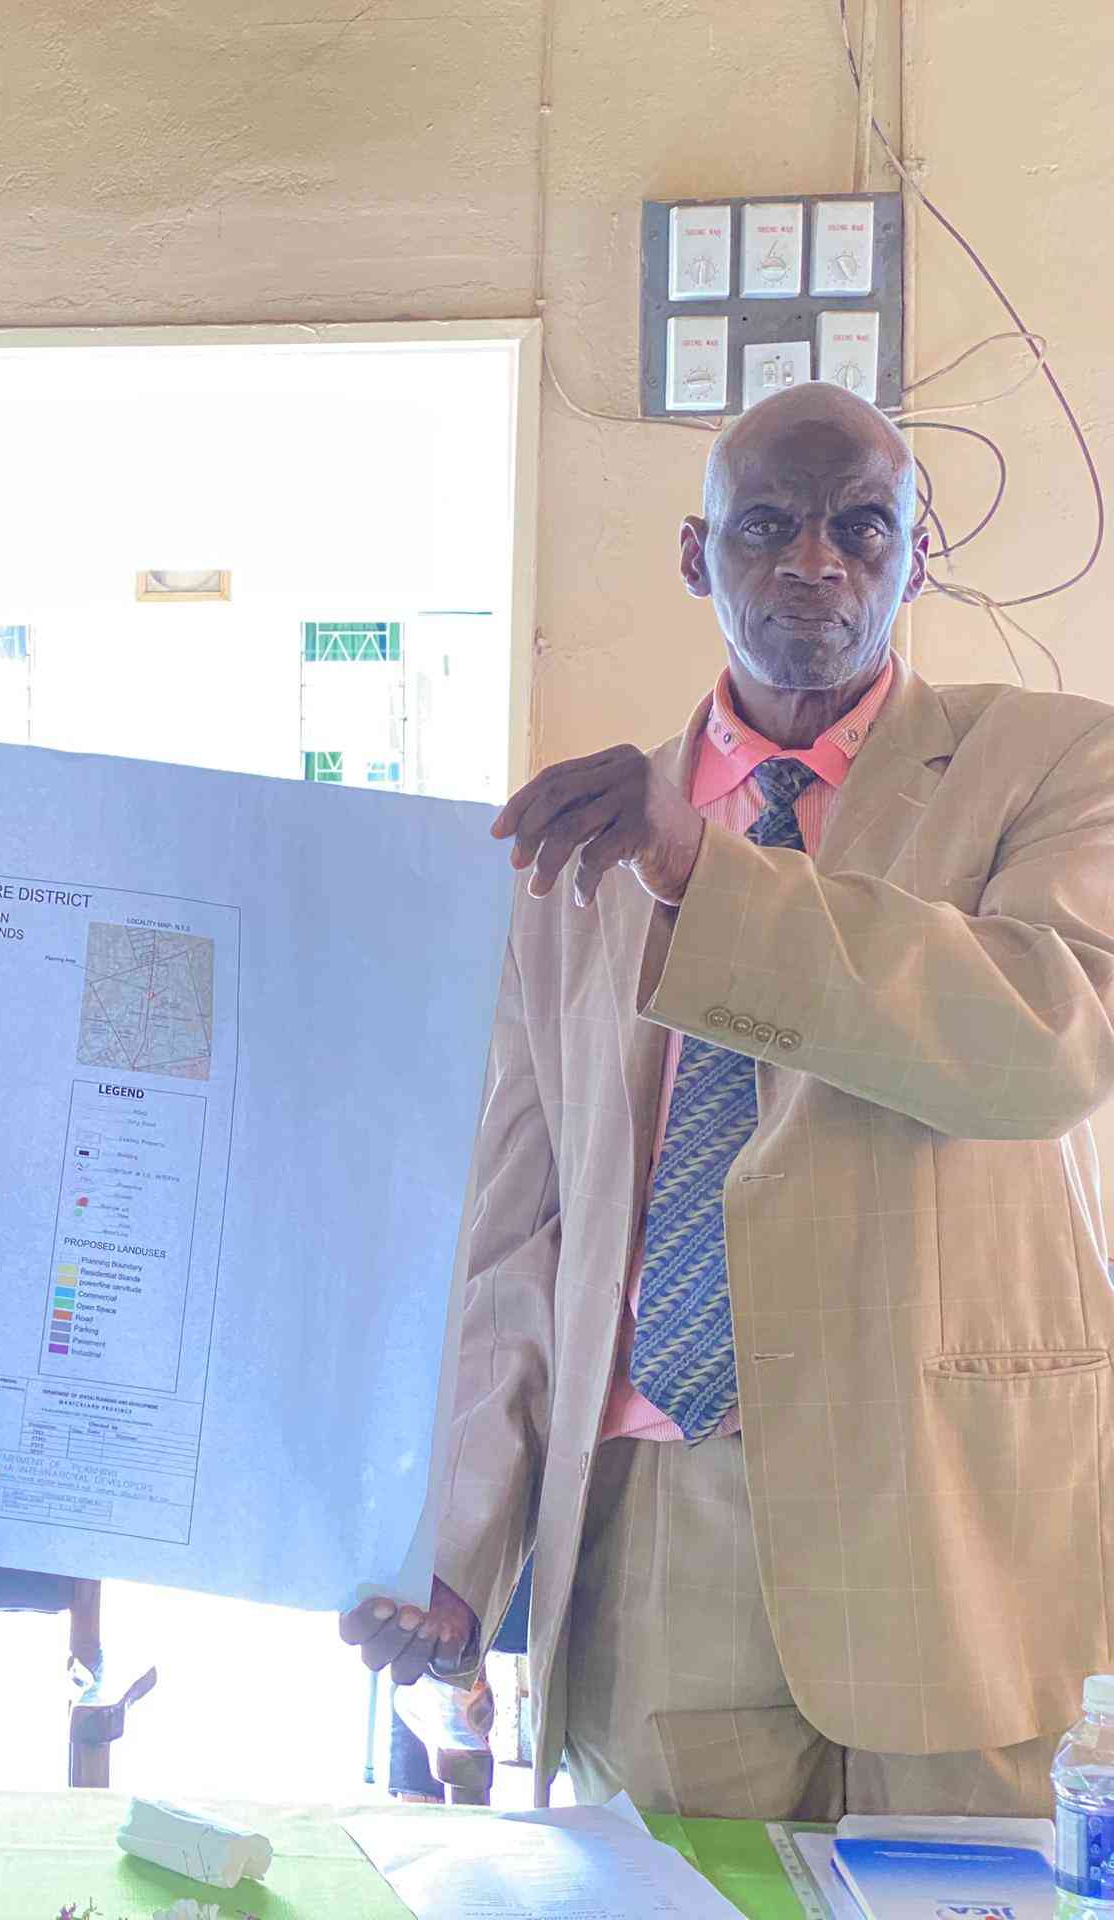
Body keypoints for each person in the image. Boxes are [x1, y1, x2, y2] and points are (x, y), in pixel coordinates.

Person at [342, 382, 1114, 1819]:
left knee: (973, 1906)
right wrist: (460, 1547)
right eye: (766, 525)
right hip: (661, 1528)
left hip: (958, 1520)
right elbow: (524, 1227)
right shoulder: (582, 840)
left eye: (861, 527)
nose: (815, 562)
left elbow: (1046, 1044)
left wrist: (711, 877)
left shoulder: (1052, 766)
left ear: (918, 556)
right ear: (697, 557)